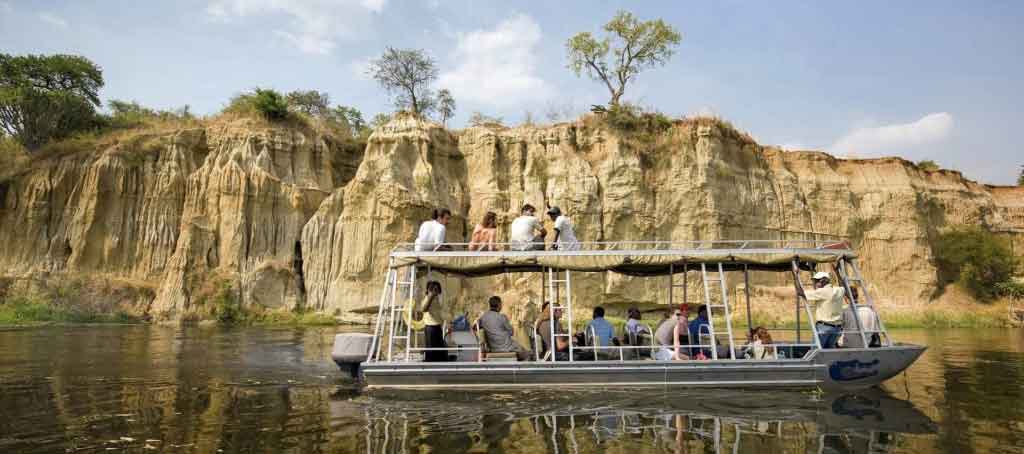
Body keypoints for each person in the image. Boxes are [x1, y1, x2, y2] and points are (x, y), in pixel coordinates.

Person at [793, 268, 845, 349]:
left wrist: (795, 275)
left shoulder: (822, 291)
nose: (815, 283)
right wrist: (837, 272)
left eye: (817, 280)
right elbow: (843, 285)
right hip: (837, 329)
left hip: (823, 327)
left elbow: (800, 292)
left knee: (815, 351)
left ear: (823, 281)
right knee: (829, 352)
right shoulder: (839, 290)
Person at [476, 296, 531, 361]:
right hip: (507, 346)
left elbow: (475, 327)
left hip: (493, 347)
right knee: (527, 354)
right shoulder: (502, 317)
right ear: (499, 305)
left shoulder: (483, 317)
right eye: (501, 304)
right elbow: (511, 332)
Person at [416, 280, 450, 361]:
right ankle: (431, 365)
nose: (437, 291)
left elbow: (440, 313)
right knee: (432, 351)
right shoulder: (428, 298)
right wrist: (431, 296)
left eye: (437, 289)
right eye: (435, 289)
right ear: (429, 290)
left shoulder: (437, 299)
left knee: (439, 350)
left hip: (437, 327)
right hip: (431, 328)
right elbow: (423, 309)